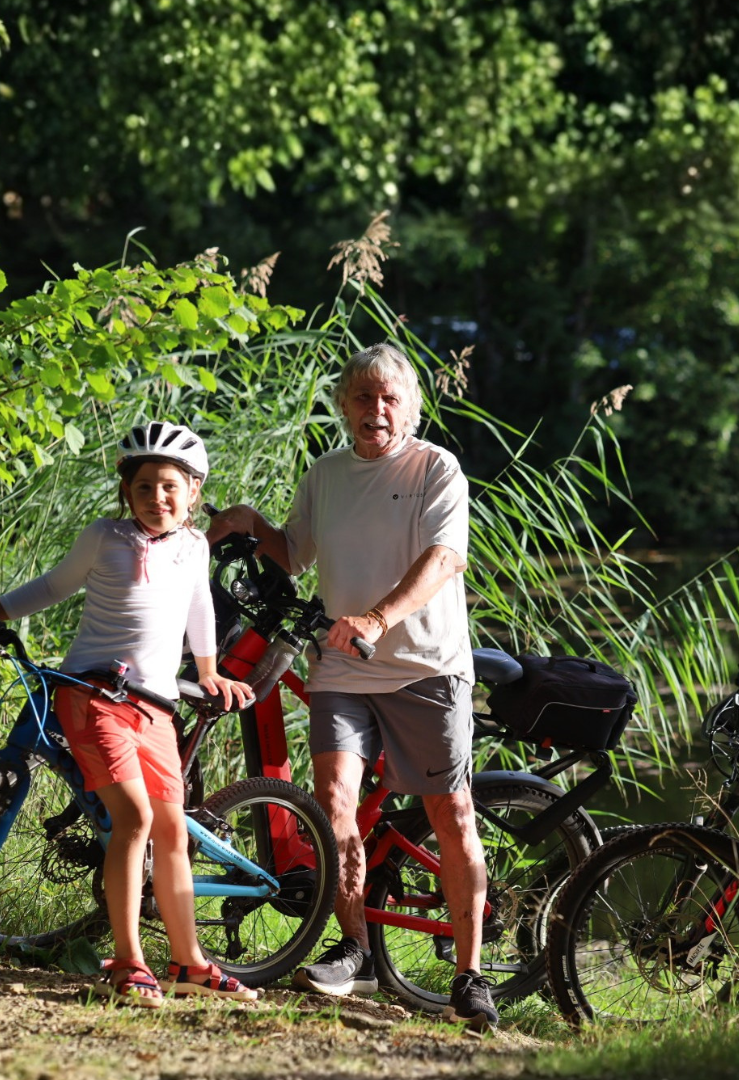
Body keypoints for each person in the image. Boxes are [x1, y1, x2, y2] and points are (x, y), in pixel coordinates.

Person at [205, 343, 497, 1032]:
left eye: (390, 397)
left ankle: (470, 973)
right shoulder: (326, 473)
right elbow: (294, 552)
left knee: (453, 814)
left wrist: (377, 616)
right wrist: (252, 523)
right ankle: (359, 952)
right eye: (363, 398)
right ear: (344, 407)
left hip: (426, 668)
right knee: (334, 802)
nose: (377, 410)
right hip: (341, 669)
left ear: (411, 406)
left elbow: (445, 558)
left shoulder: (435, 469)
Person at [0, 422, 256, 1008]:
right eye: (144, 488)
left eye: (170, 487)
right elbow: (53, 585)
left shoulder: (194, 547)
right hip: (93, 694)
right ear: (126, 494)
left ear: (193, 492)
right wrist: (1, 609)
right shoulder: (104, 537)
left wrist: (210, 669)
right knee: (134, 819)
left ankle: (189, 963)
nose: (157, 498)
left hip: (157, 706)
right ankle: (128, 962)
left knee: (171, 831)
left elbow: (199, 612)